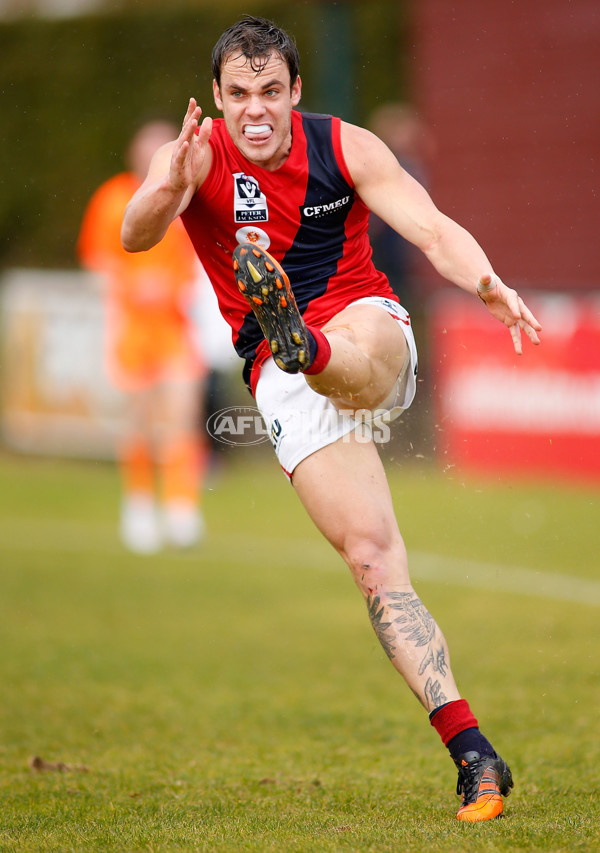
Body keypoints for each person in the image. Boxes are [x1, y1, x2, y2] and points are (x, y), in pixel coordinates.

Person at [121, 16, 542, 820]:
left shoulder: (345, 146)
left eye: (270, 92)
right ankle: (474, 753)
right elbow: (134, 235)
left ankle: (306, 343)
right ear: (216, 97)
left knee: (360, 351)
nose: (255, 109)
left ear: (296, 93)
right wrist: (166, 182)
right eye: (238, 93)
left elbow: (426, 224)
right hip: (277, 376)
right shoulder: (197, 156)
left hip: (360, 323)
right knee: (373, 559)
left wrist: (486, 282)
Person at [78, 120, 209, 554]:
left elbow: (200, 262)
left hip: (175, 326)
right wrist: (133, 288)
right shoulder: (113, 198)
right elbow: (98, 261)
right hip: (132, 329)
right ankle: (138, 506)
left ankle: (180, 506)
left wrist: (177, 291)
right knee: (138, 419)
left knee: (181, 413)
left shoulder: (189, 200)